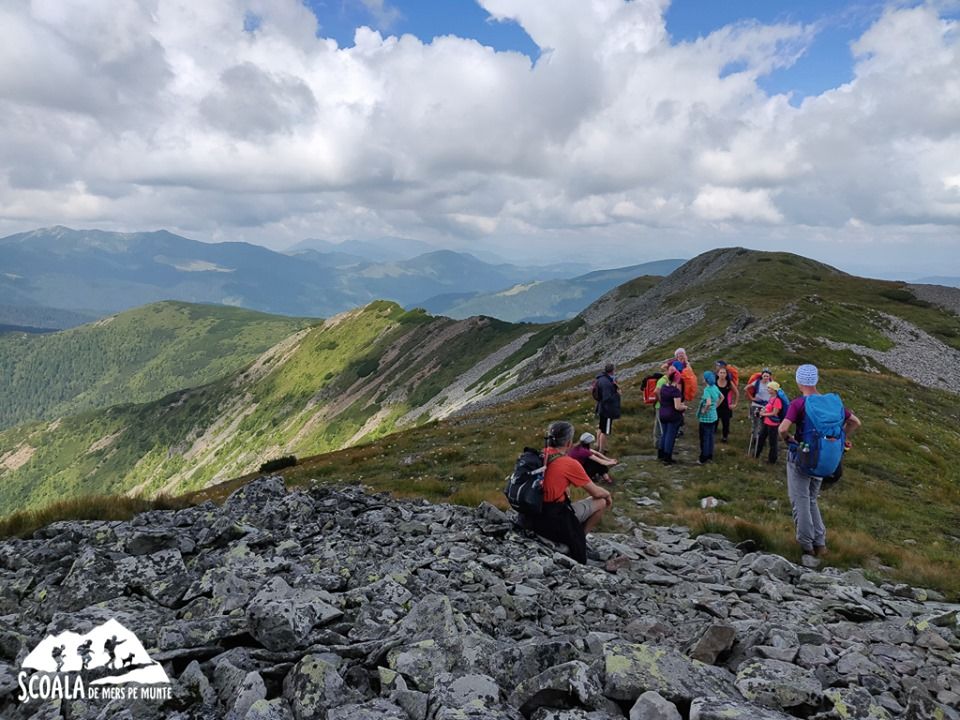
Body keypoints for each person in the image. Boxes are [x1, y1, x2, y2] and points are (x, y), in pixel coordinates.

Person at [778, 364, 861, 561]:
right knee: (812, 498)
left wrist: (788, 441)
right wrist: (841, 439)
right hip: (824, 458)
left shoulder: (799, 404)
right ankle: (821, 544)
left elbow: (782, 428)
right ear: (816, 381)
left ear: (799, 382)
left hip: (802, 457)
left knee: (801, 500)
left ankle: (806, 546)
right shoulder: (832, 403)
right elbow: (856, 422)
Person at [526, 421, 613, 563]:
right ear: (568, 442)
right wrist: (608, 495)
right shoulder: (568, 463)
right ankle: (580, 538)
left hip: (531, 515)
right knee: (602, 501)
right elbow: (596, 493)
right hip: (552, 519)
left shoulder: (540, 455)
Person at [657, 366, 687, 464]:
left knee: (664, 434)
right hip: (672, 415)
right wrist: (685, 407)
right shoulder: (675, 391)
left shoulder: (664, 387)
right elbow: (677, 406)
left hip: (663, 413)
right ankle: (667, 458)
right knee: (670, 436)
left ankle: (660, 454)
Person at [593, 363, 621, 454]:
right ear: (612, 370)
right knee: (605, 431)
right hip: (607, 410)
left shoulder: (601, 379)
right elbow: (607, 397)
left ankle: (597, 445)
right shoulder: (606, 383)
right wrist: (617, 394)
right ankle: (601, 450)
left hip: (602, 408)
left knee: (601, 427)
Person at [697, 371, 722, 464]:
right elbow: (722, 397)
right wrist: (715, 406)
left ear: (706, 380)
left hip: (706, 418)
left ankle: (703, 457)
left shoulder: (707, 390)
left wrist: (704, 410)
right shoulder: (715, 387)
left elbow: (707, 402)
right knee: (711, 436)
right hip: (714, 416)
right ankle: (710, 456)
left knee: (704, 438)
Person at [756, 380, 784, 464]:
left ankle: (772, 460)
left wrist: (764, 414)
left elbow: (775, 413)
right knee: (761, 438)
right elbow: (768, 408)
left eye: (769, 388)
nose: (767, 389)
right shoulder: (771, 398)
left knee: (772, 442)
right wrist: (762, 411)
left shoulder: (777, 400)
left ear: (774, 390)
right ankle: (756, 454)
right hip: (766, 422)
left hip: (773, 424)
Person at [714, 362, 739, 443]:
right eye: (721, 372)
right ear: (717, 374)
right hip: (716, 406)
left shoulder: (729, 382)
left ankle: (725, 437)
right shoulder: (714, 382)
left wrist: (735, 404)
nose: (722, 374)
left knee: (726, 423)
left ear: (726, 374)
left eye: (724, 373)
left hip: (726, 406)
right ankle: (712, 435)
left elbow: (737, 393)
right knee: (714, 422)